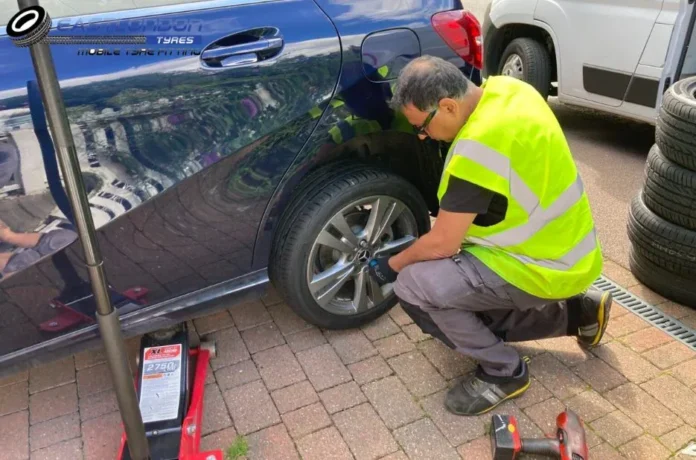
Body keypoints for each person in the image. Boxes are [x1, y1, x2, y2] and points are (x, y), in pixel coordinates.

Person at [367, 55, 612, 417]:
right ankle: (578, 313)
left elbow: (443, 243)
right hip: (567, 248)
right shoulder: (510, 90)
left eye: (423, 126)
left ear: (448, 106)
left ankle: (504, 371)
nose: (422, 136)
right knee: (449, 293)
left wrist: (392, 265)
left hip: (540, 266)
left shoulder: (479, 149)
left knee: (415, 287)